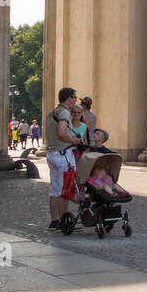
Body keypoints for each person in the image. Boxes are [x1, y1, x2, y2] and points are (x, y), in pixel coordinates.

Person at [45, 88, 82, 229]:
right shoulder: (64, 112)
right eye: (74, 97)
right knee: (65, 189)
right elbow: (61, 132)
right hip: (63, 154)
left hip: (52, 153)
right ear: (69, 98)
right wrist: (74, 141)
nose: (75, 100)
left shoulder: (51, 113)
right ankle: (63, 220)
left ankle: (54, 220)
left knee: (54, 189)